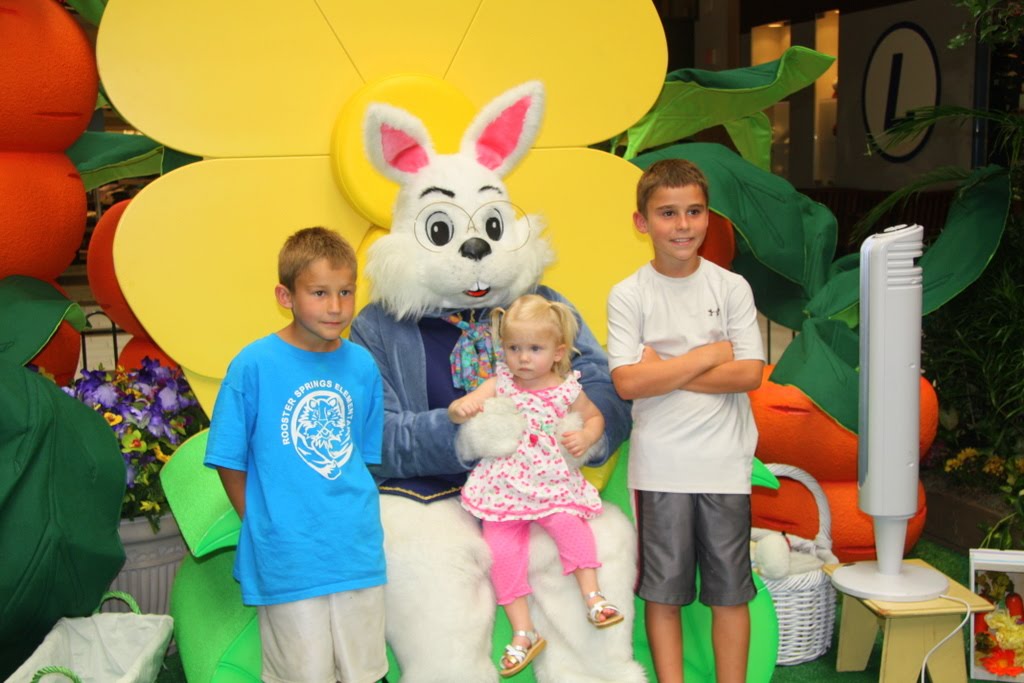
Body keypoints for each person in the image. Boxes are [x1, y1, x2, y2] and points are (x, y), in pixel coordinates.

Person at [204, 226, 388, 683]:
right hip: (287, 556)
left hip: (356, 550)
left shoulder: (363, 365)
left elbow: (360, 456)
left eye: (346, 291)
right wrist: (261, 523)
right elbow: (228, 458)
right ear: (285, 296)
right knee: (303, 674)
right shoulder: (253, 365)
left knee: (365, 672)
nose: (336, 307)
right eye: (319, 293)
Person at [606, 159, 765, 683]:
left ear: (708, 217)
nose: (682, 225)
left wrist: (664, 370)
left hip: (725, 465)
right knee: (663, 593)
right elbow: (627, 383)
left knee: (730, 593)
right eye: (668, 213)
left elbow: (749, 374)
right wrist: (709, 354)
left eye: (694, 211)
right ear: (642, 222)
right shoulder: (629, 294)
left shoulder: (731, 288)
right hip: (661, 468)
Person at [448, 294, 625, 678]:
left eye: (534, 349)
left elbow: (595, 417)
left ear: (558, 352)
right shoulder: (500, 384)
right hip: (505, 484)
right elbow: (463, 408)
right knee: (500, 550)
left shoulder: (566, 389)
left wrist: (586, 437)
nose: (523, 358)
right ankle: (523, 631)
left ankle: (593, 596)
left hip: (550, 480)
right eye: (514, 348)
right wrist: (461, 409)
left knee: (568, 525)